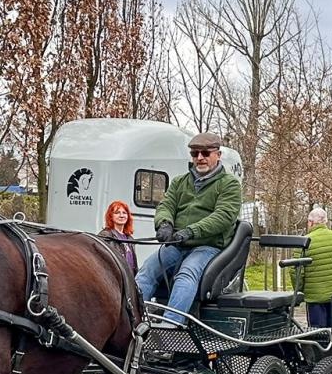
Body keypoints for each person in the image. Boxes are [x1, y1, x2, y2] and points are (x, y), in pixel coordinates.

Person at [135, 131, 242, 322]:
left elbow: (223, 216)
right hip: (177, 244)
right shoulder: (179, 182)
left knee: (187, 273)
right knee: (147, 270)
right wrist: (165, 224)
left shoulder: (229, 185)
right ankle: (132, 321)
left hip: (208, 246)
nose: (199, 158)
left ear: (218, 154)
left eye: (205, 153)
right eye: (195, 154)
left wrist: (191, 231)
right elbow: (165, 205)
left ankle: (171, 326)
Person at [100, 200, 138, 277]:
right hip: (114, 278)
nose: (121, 215)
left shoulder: (130, 238)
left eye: (124, 213)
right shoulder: (105, 235)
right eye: (117, 213)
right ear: (111, 216)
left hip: (129, 279)